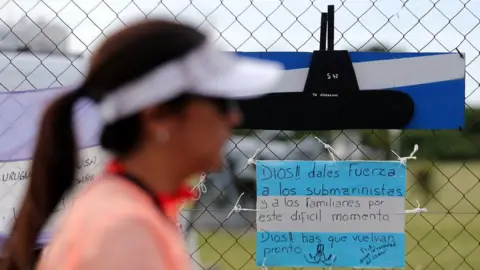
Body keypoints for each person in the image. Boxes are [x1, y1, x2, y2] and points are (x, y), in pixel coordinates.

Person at [0, 19, 283, 270]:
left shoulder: (126, 209)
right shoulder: (124, 230)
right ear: (158, 116)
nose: (234, 117)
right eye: (221, 102)